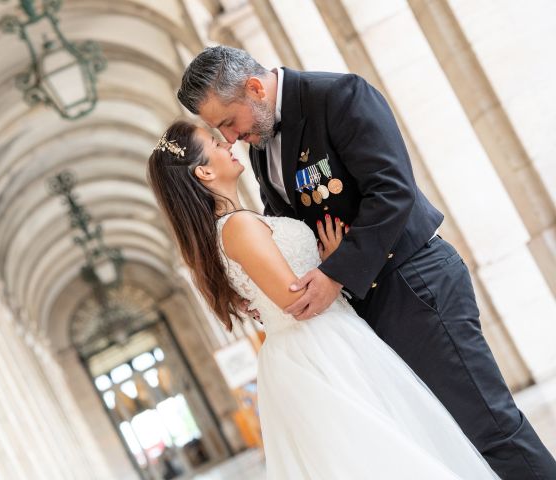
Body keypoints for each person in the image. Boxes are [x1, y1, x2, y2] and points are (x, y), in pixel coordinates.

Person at [175, 46, 556, 479]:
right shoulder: (260, 142)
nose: (228, 138)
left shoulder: (339, 96)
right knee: (436, 441)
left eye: (228, 122)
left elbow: (393, 191)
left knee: (489, 431)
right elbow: (286, 223)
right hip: (359, 310)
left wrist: (335, 273)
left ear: (255, 88)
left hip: (413, 288)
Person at [147, 120, 500, 478]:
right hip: (318, 346)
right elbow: (295, 301)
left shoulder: (238, 223)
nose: (226, 143)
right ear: (204, 170)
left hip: (327, 335)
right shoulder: (237, 226)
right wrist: (334, 262)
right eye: (214, 143)